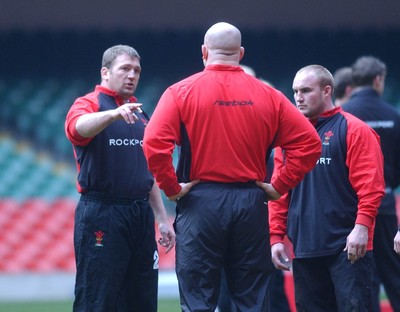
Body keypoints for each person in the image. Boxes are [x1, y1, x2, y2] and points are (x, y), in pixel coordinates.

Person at [143, 22, 322, 311]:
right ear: (240, 53)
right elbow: (310, 143)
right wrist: (279, 186)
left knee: (198, 299)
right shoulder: (270, 95)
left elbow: (153, 142)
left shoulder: (180, 92)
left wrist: (172, 188)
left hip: (200, 203)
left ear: (203, 52)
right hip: (251, 204)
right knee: (251, 300)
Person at [65, 44, 175, 312]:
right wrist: (113, 114)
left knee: (143, 299)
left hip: (139, 216)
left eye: (136, 70)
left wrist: (161, 218)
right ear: (105, 72)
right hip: (103, 212)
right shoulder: (89, 103)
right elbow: (76, 129)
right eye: (125, 68)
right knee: (98, 299)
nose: (132, 75)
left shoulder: (139, 114)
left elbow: (145, 172)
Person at [269, 64, 385, 311]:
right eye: (295, 91)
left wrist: (362, 227)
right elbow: (279, 193)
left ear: (327, 90)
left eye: (306, 90)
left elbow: (371, 186)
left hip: (348, 249)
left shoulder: (355, 130)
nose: (298, 97)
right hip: (305, 250)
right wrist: (276, 237)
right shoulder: (288, 139)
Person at [341, 56, 400, 312]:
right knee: (394, 275)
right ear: (378, 80)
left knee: (364, 279)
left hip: (351, 210)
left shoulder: (343, 117)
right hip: (385, 206)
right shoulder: (394, 116)